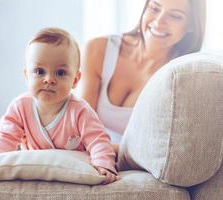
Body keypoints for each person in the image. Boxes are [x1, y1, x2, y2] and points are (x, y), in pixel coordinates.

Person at [0, 27, 119, 184]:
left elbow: (98, 140)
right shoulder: (20, 107)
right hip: (36, 171)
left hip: (71, 172)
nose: (49, 79)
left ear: (75, 80)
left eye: (60, 73)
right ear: (26, 76)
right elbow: (5, 137)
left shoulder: (80, 111)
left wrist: (104, 165)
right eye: (39, 71)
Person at [79, 0, 206, 152]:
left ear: (192, 26)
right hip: (89, 155)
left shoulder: (181, 79)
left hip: (128, 163)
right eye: (154, 8)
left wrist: (103, 150)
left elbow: (158, 148)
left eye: (175, 16)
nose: (159, 22)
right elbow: (80, 125)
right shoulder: (98, 49)